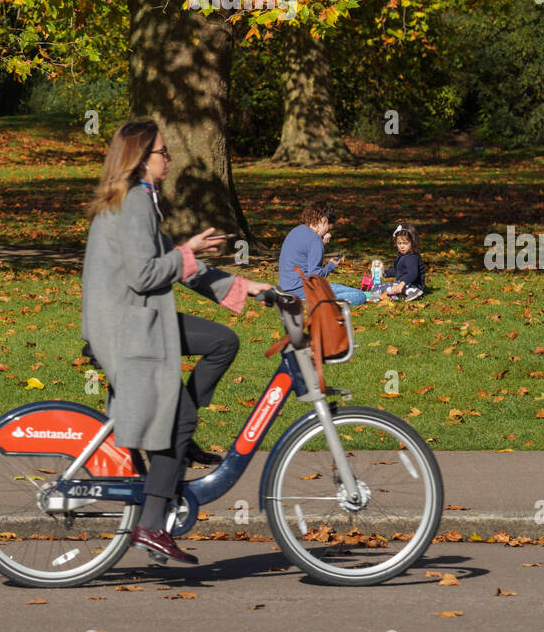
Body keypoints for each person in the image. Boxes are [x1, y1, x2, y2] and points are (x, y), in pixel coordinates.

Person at [81, 120, 271, 566]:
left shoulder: (142, 201)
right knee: (178, 418)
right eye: (163, 152)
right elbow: (147, 274)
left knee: (222, 342)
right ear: (141, 158)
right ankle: (150, 523)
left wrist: (244, 286)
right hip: (128, 329)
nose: (169, 159)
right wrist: (188, 250)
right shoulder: (131, 203)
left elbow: (178, 265)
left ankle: (178, 440)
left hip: (144, 319)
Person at [278, 201, 367, 306]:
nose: (328, 233)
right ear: (325, 221)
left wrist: (321, 243)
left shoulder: (296, 230)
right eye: (329, 228)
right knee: (359, 295)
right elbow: (315, 276)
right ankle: (319, 301)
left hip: (286, 287)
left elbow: (305, 254)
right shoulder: (315, 240)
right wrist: (330, 266)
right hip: (303, 289)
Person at [382, 222, 425, 301]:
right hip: (404, 283)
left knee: (384, 288)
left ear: (413, 242)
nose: (402, 246)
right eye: (399, 243)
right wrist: (385, 273)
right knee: (389, 287)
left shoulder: (412, 257)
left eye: (405, 243)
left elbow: (412, 274)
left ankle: (413, 292)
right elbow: (399, 271)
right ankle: (402, 293)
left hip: (413, 284)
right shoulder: (402, 256)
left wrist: (402, 284)